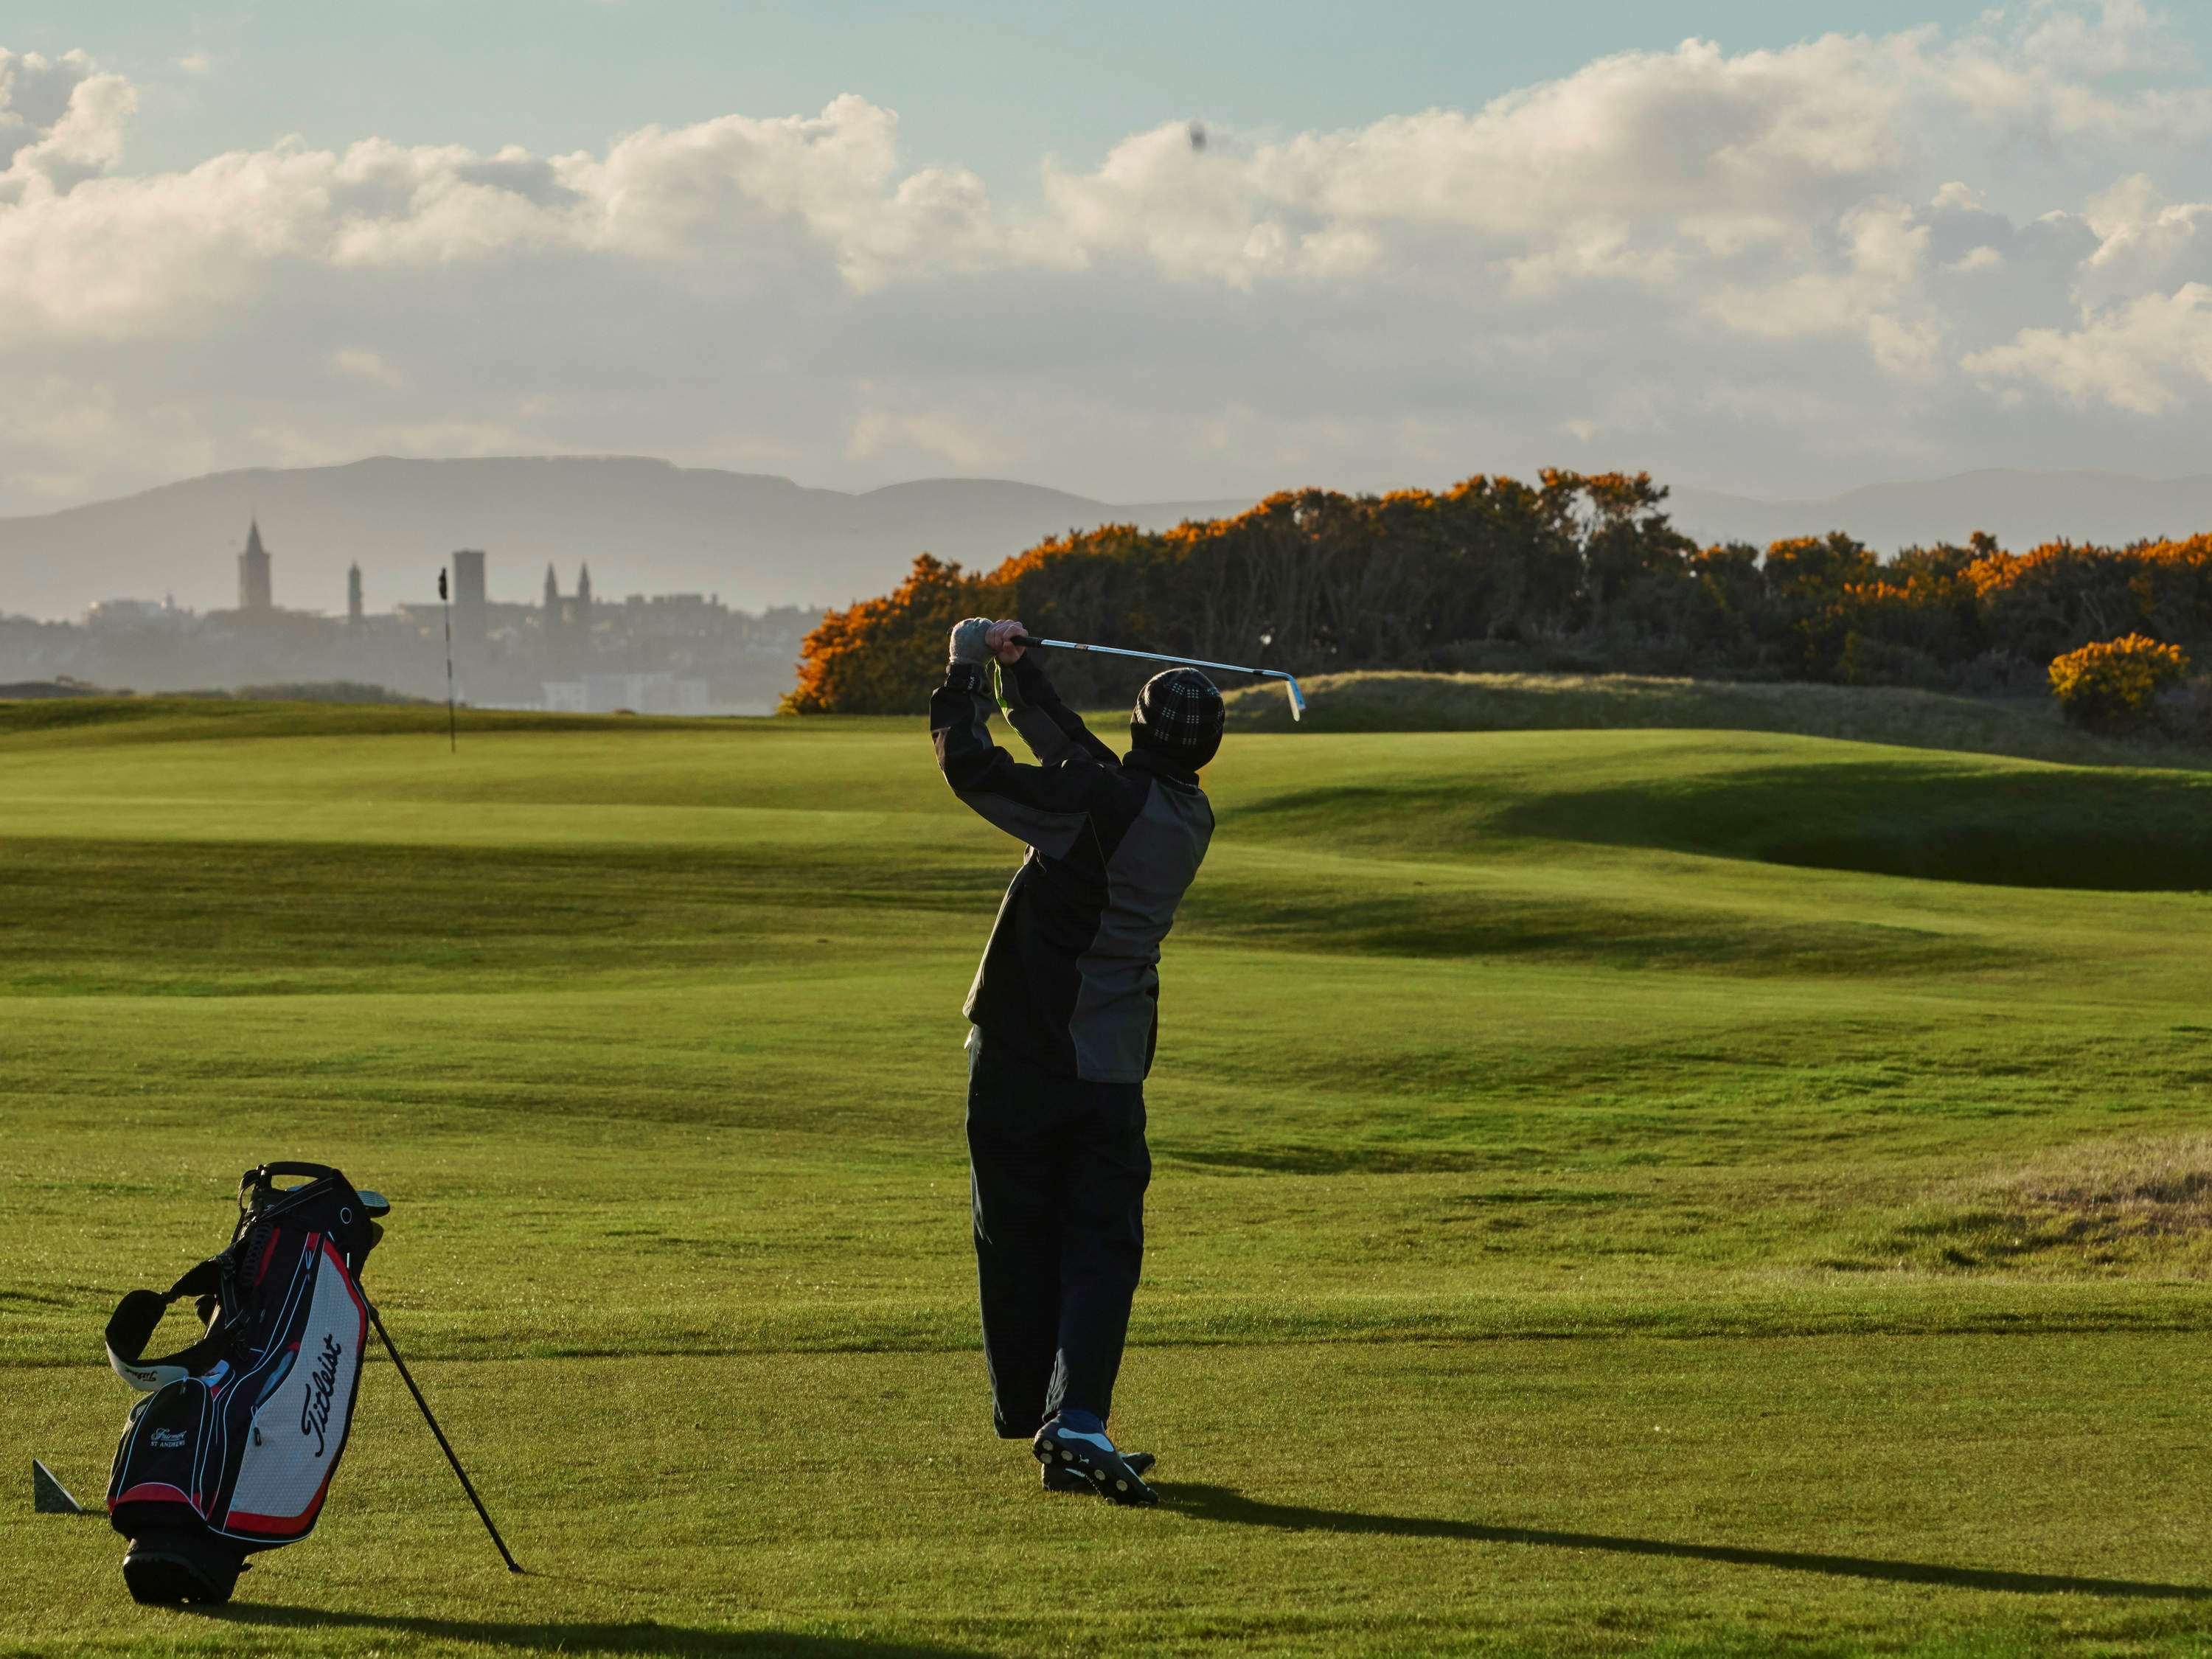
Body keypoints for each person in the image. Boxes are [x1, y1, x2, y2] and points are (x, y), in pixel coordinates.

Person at [931, 616, 1224, 1506]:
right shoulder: (1183, 811)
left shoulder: (1099, 803)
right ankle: (1076, 1422)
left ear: (1138, 728)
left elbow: (972, 769)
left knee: (1014, 1232)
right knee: (1101, 1244)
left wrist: (965, 669)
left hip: (1026, 1052)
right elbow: (1077, 755)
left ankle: (1043, 1415)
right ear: (1207, 749)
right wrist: (1025, 676)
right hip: (1111, 1068)